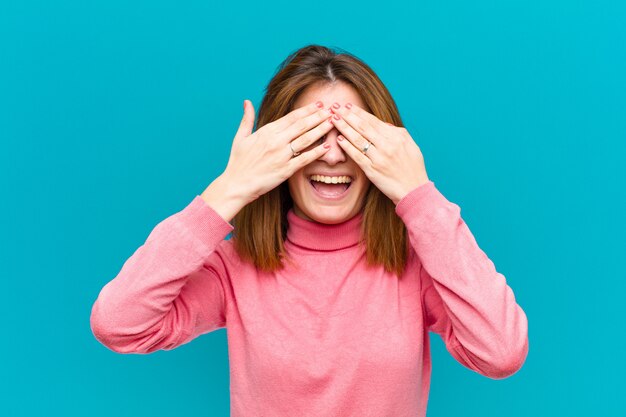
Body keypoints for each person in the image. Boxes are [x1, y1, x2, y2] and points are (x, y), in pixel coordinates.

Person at [90, 44, 529, 417]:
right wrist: (227, 192)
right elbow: (118, 324)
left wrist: (419, 194)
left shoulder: (415, 267)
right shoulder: (233, 269)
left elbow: (501, 352)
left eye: (352, 135)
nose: (333, 157)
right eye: (311, 134)